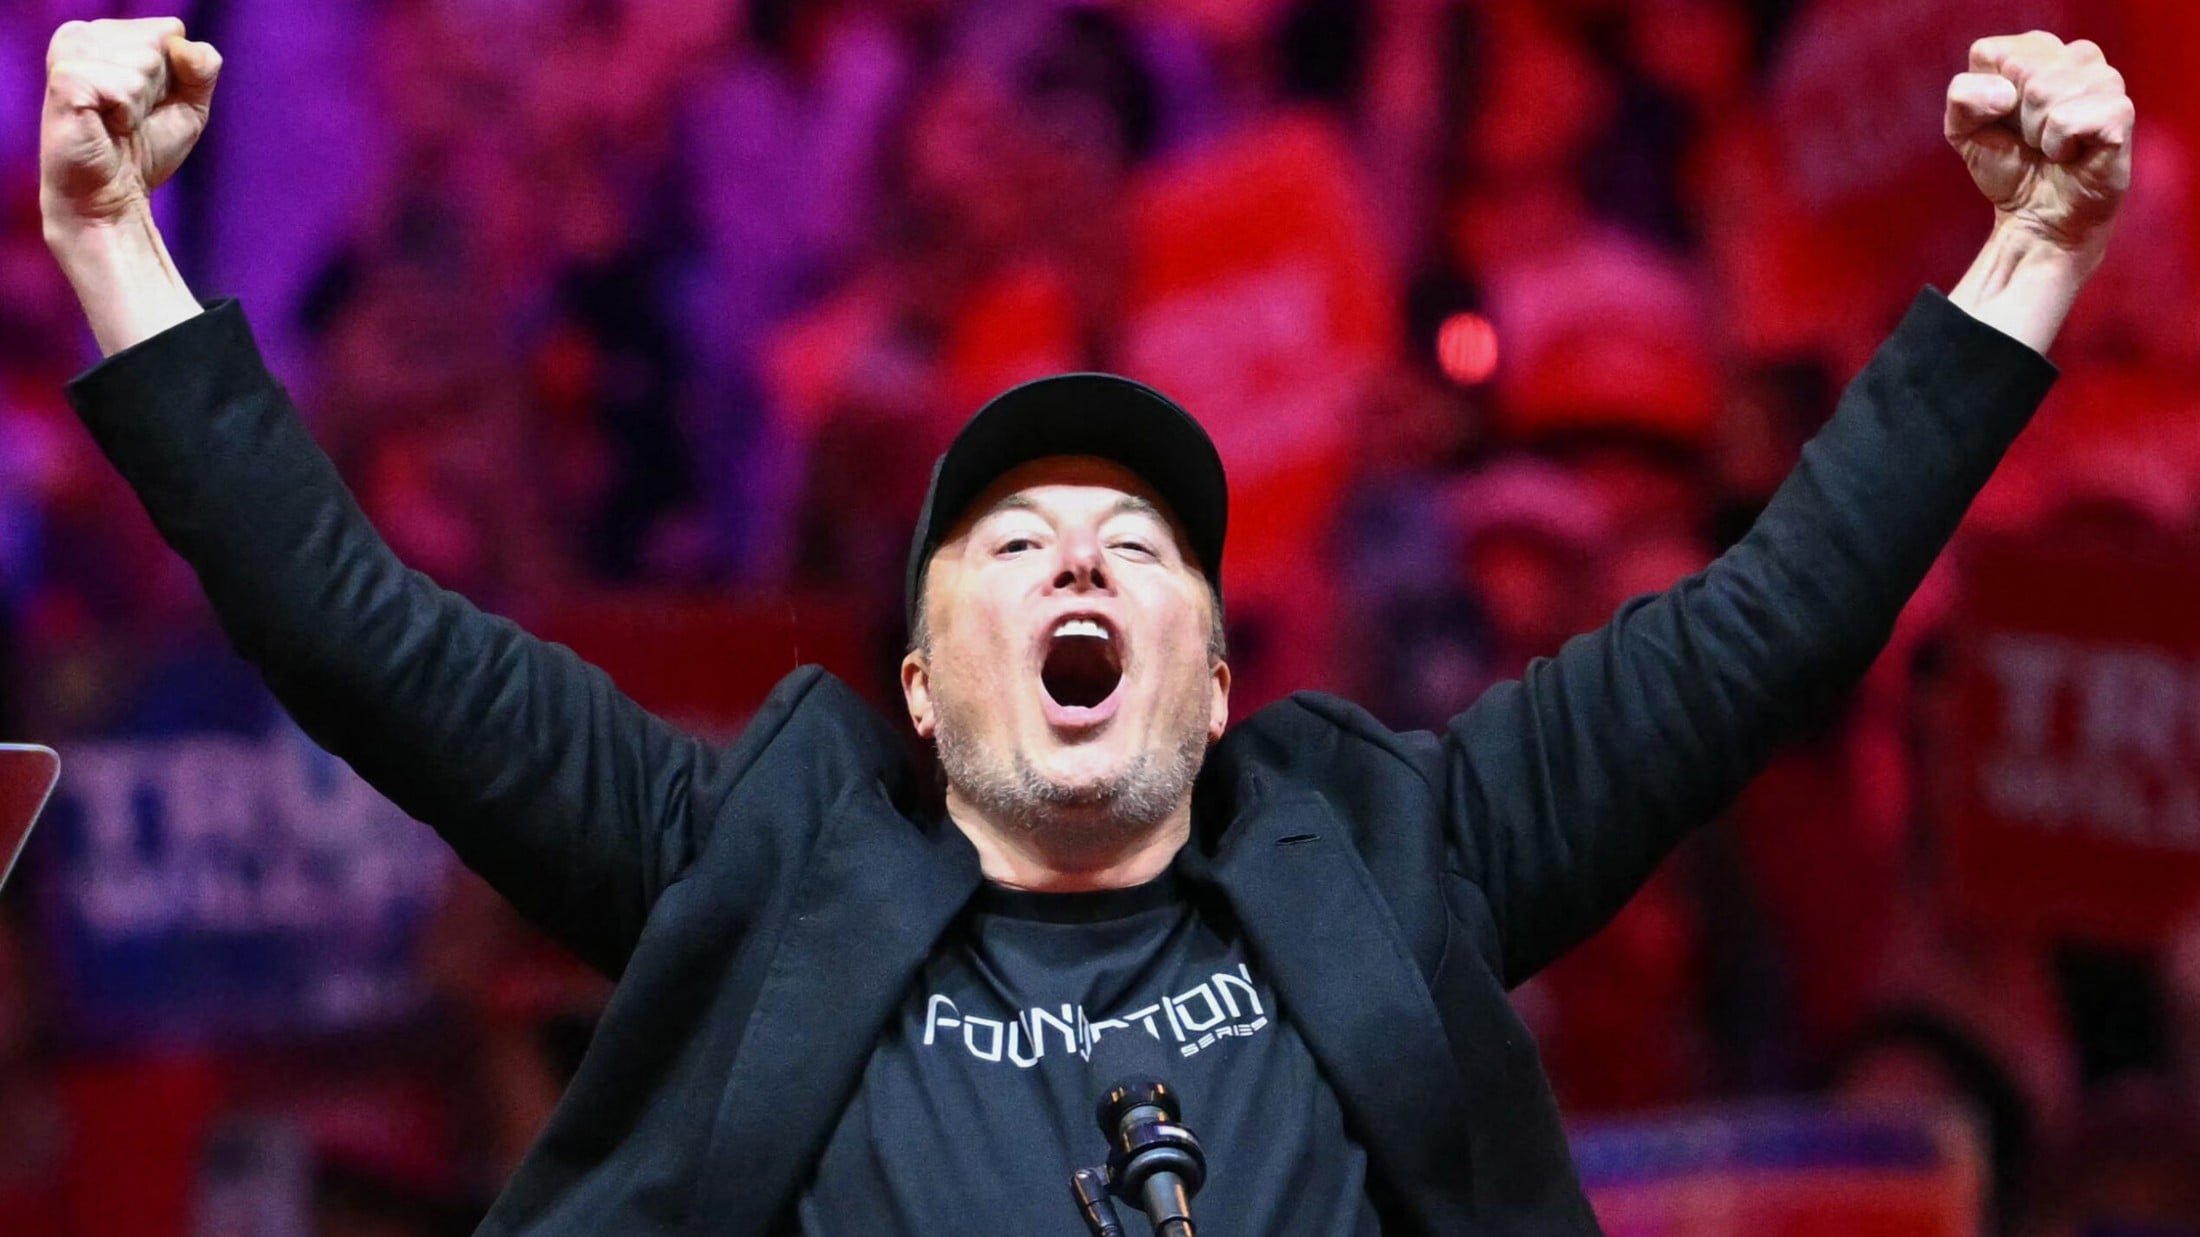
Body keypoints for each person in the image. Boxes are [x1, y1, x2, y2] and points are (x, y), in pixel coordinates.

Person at [35, 16, 2133, 1236]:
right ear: (913, 684)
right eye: (1012, 542)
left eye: (1139, 547)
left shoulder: (1396, 847)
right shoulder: (751, 863)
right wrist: (118, 245)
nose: (1078, 564)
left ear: (1216, 684)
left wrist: (2030, 251)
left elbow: (1765, 626)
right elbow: (371, 642)